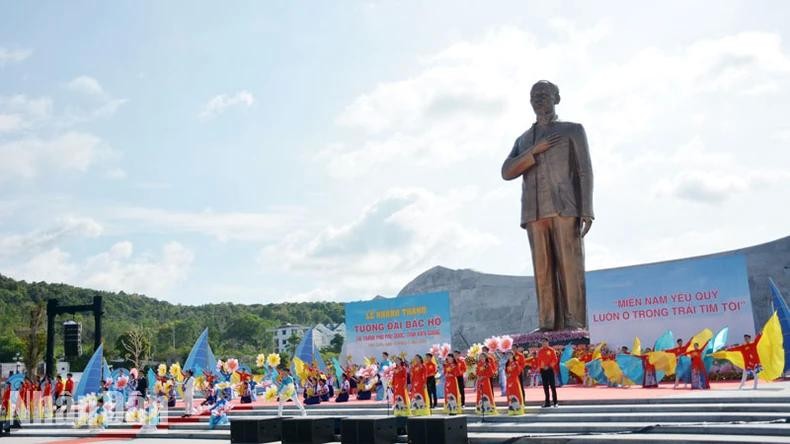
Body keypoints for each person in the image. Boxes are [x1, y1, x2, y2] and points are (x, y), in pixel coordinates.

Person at [501, 80, 594, 332]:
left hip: (565, 206)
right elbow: (507, 171)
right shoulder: (523, 139)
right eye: (534, 95)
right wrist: (534, 151)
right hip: (534, 211)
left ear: (557, 98)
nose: (539, 99)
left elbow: (584, 171)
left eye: (544, 94)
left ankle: (575, 320)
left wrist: (587, 208)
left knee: (569, 265)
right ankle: (547, 322)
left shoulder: (572, 130)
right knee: (542, 268)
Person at [537, 337, 558, 407]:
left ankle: (555, 402)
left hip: (550, 369)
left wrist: (549, 366)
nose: (544, 343)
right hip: (543, 371)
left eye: (545, 342)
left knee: (552, 386)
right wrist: (541, 367)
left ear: (547, 342)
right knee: (545, 387)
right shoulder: (540, 351)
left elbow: (555, 359)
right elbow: (539, 361)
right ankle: (547, 402)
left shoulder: (551, 350)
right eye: (542, 342)